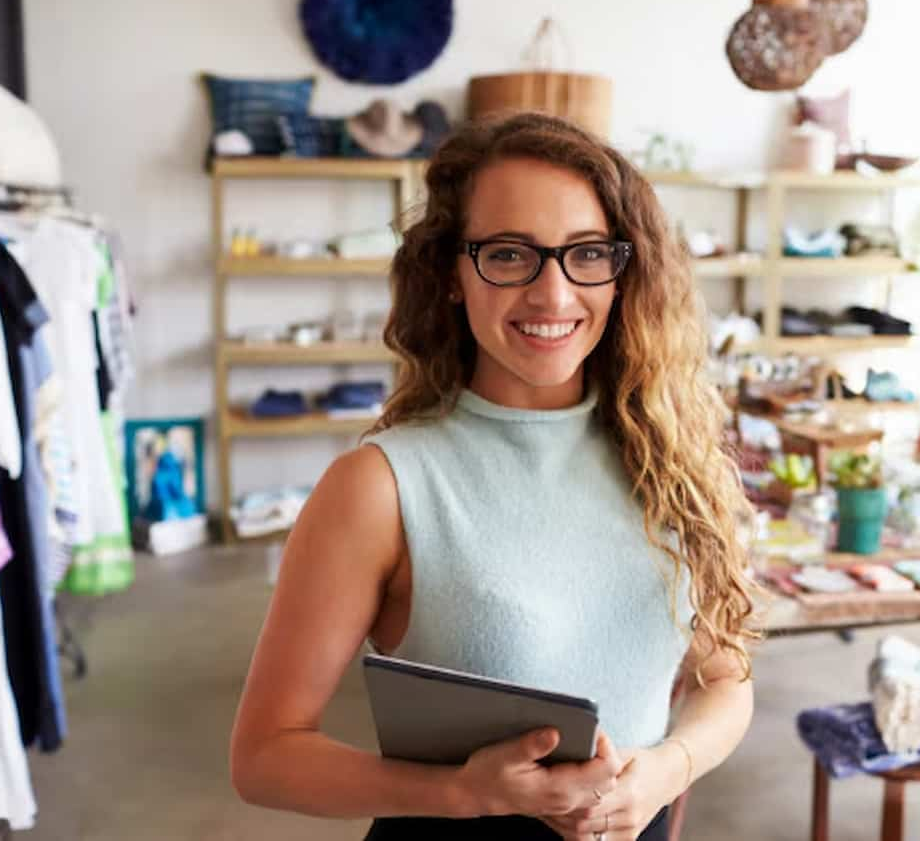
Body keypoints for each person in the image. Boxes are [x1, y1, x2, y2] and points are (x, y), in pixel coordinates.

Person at [230, 112, 758, 841]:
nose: (552, 293)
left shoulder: (670, 459)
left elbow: (724, 681)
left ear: (621, 269)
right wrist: (461, 791)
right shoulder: (381, 486)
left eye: (585, 253)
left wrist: (667, 768)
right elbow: (264, 756)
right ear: (451, 272)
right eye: (510, 255)